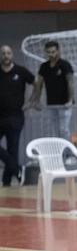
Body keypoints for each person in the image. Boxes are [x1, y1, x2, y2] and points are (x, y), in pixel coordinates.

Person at [0, 45, 34, 185]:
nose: (6, 56)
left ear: (12, 55)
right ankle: (18, 170)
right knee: (11, 153)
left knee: (12, 149)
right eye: (3, 53)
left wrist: (32, 101)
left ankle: (6, 181)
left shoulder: (20, 71)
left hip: (15, 117)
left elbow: (36, 82)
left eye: (8, 53)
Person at [30, 40, 75, 142]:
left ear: (58, 51)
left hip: (64, 104)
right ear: (46, 52)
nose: (51, 54)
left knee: (63, 130)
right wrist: (36, 100)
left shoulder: (65, 64)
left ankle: (67, 153)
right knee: (55, 131)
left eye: (53, 52)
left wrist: (70, 100)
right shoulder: (44, 67)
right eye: (48, 52)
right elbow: (39, 85)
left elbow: (70, 82)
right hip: (51, 104)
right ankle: (58, 153)